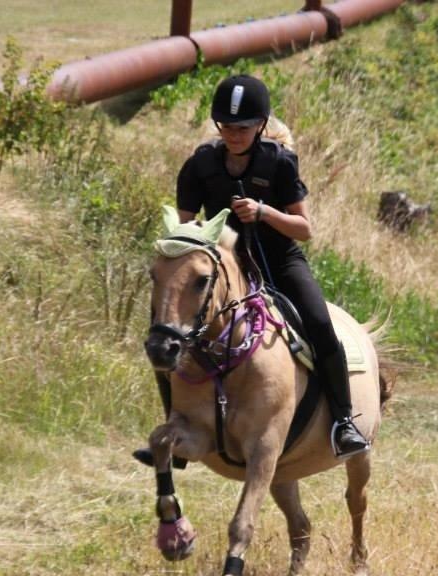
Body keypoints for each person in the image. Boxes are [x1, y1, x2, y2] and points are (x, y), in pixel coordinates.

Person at [144, 74, 369, 461]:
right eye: (226, 127)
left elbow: (305, 228)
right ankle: (175, 428)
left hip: (279, 261)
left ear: (261, 126)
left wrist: (263, 212)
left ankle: (343, 422)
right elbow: (184, 225)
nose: (234, 135)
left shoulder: (280, 163)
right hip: (223, 270)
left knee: (319, 324)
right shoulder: (199, 165)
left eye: (244, 128)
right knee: (165, 335)